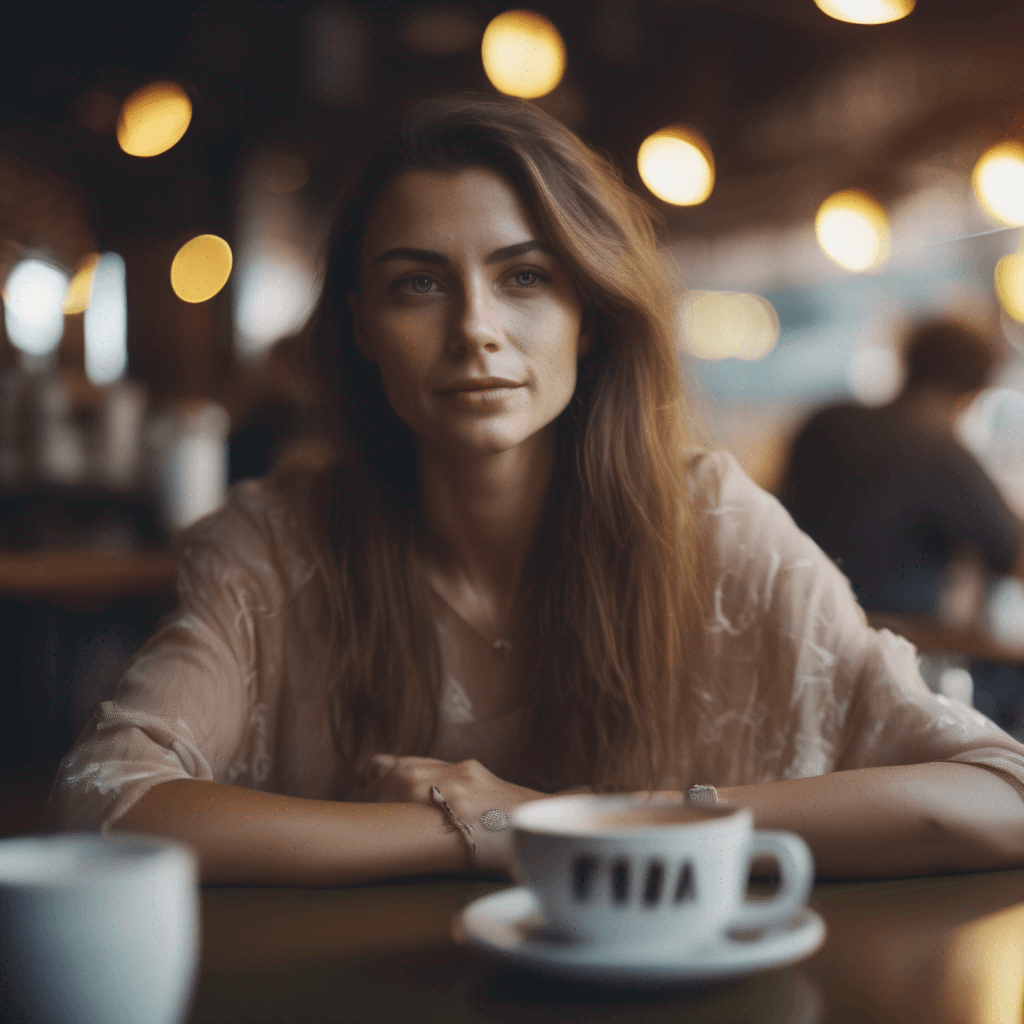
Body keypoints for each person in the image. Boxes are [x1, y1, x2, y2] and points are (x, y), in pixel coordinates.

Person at [43, 97, 1024, 886]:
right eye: (418, 285)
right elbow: (106, 797)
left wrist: (565, 819)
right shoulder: (273, 547)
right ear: (358, 325)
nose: (475, 327)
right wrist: (475, 832)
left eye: (523, 278)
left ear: (588, 315)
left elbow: (1001, 791)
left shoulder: (710, 526)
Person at [779, 320, 1022, 617]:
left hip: (792, 622)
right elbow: (1012, 552)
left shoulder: (826, 422)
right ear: (973, 392)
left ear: (907, 362)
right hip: (885, 642)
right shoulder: (938, 451)